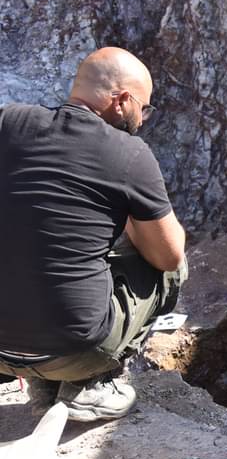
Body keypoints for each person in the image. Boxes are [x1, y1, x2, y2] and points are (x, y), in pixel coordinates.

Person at [0, 47, 187, 423]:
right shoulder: (130, 154)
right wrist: (129, 209)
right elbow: (168, 256)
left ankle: (38, 376)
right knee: (169, 268)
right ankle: (95, 383)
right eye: (143, 108)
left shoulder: (8, 122)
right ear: (121, 102)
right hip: (74, 350)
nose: (143, 119)